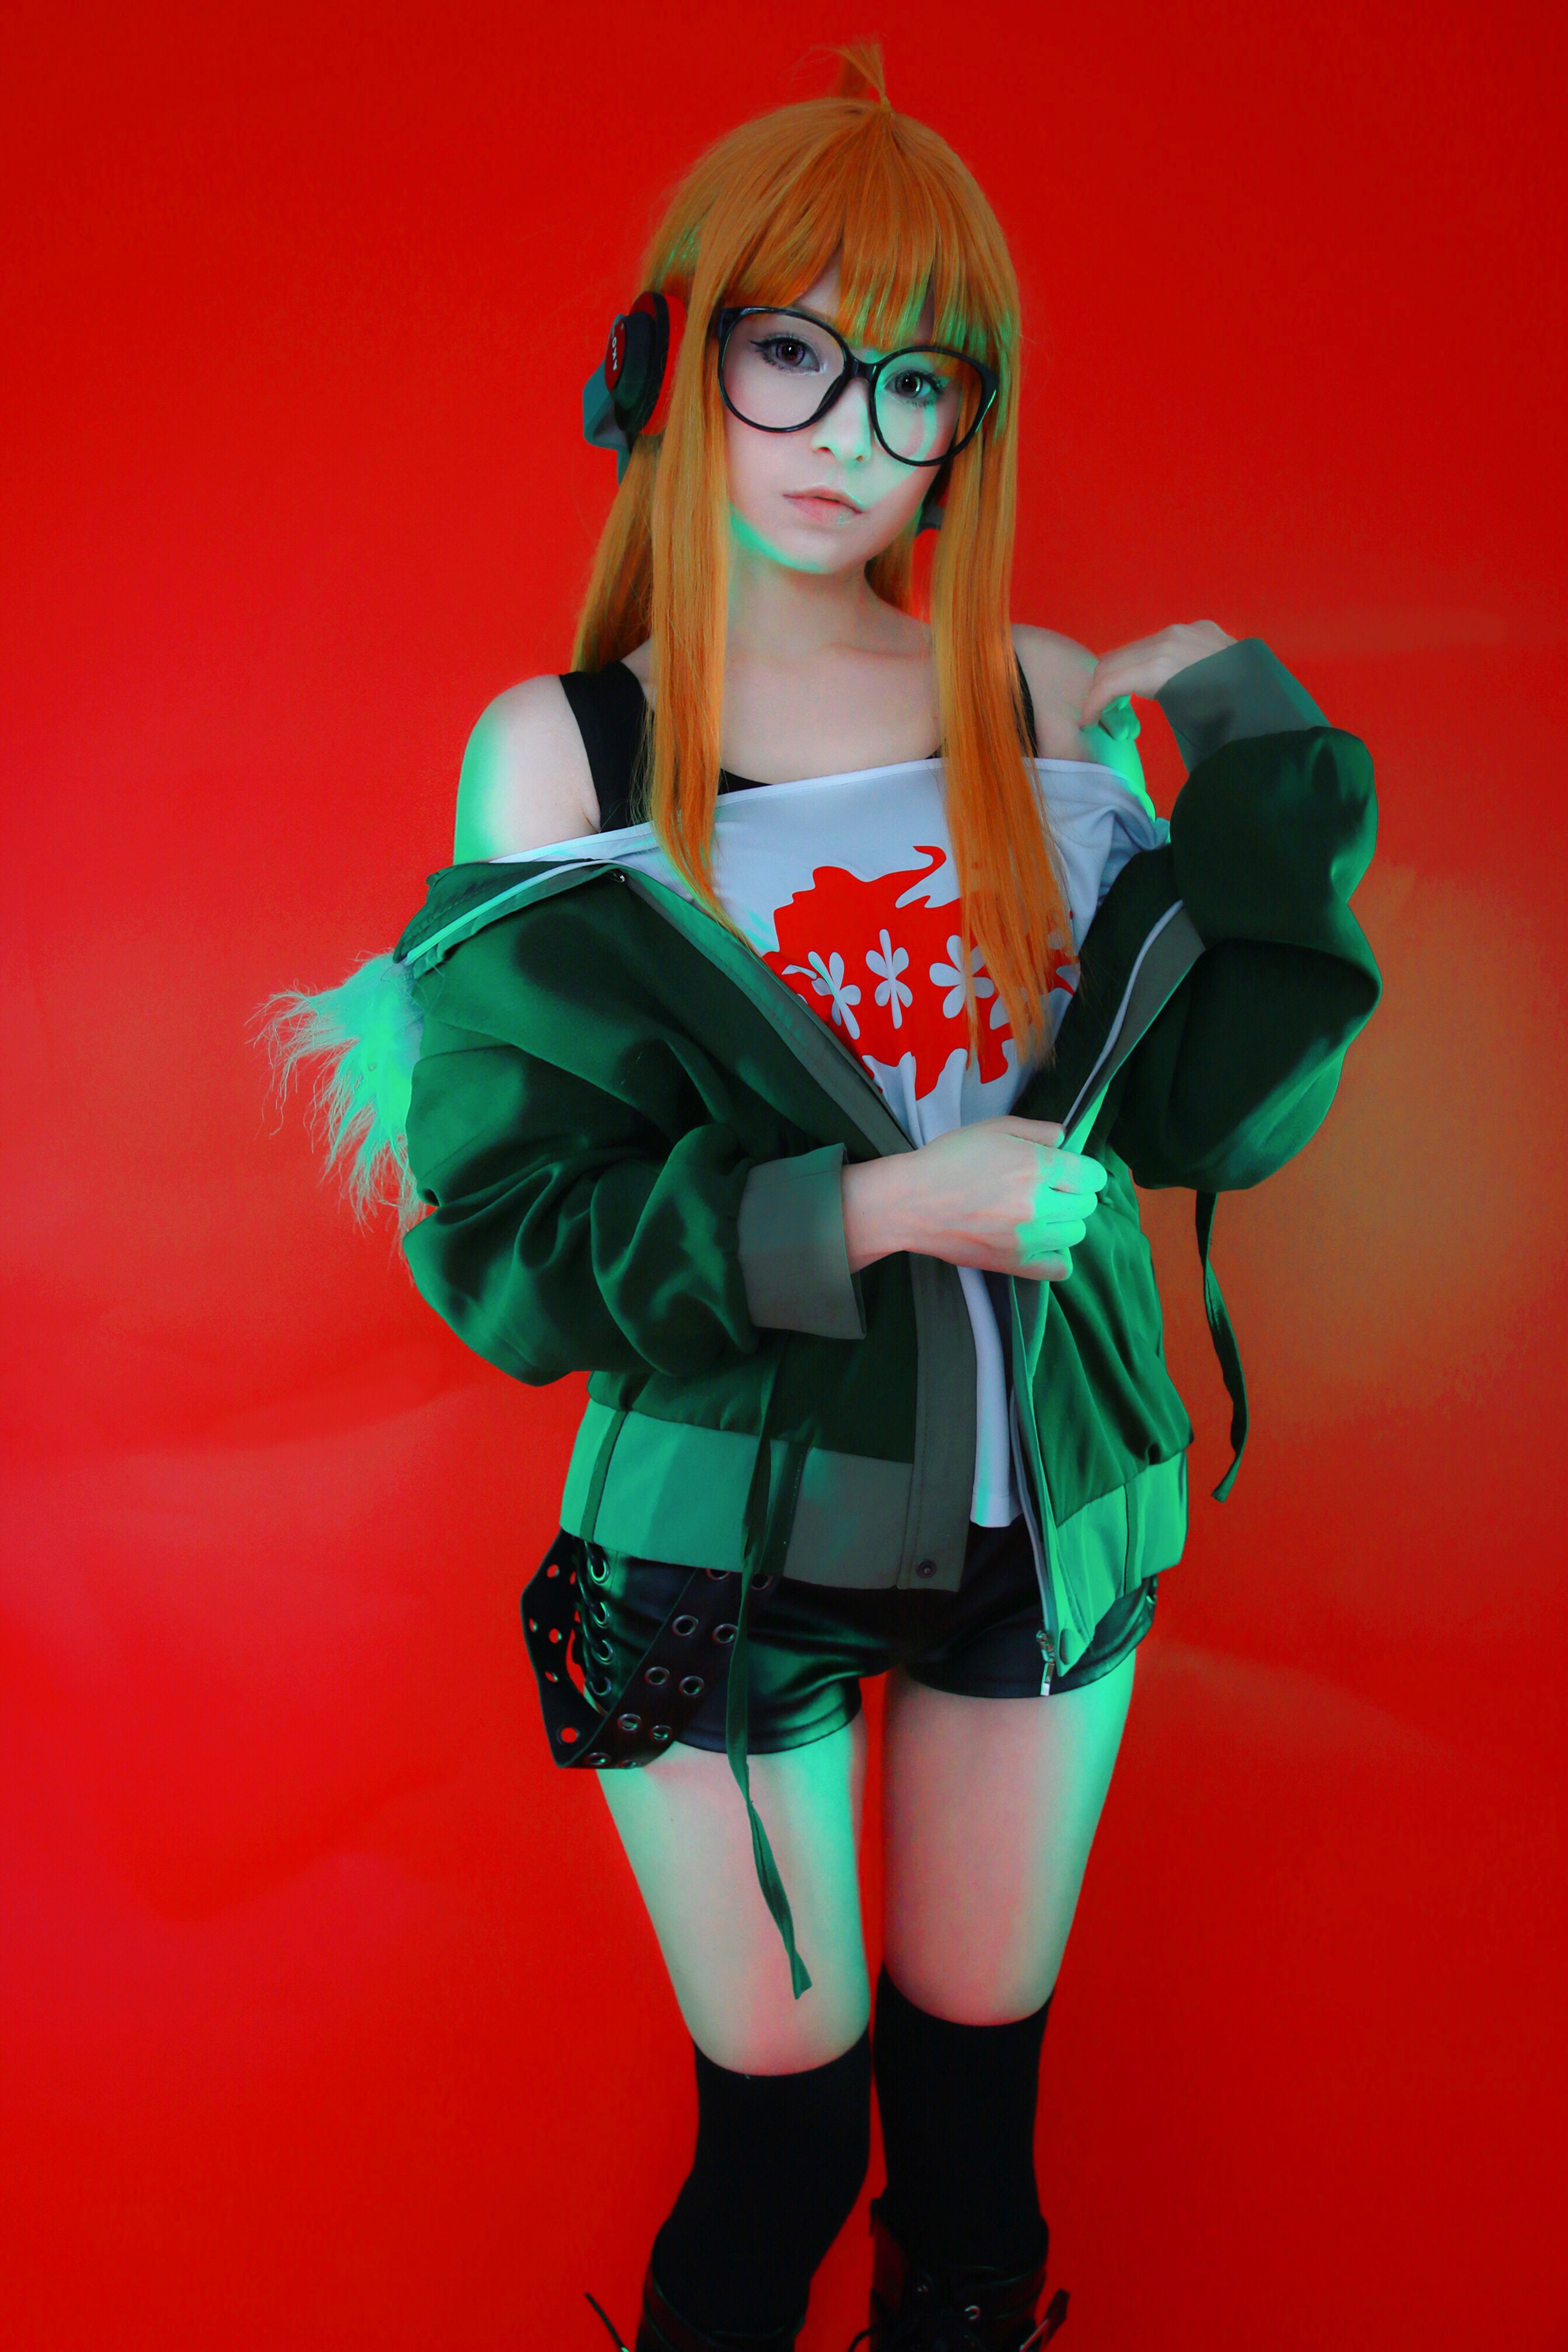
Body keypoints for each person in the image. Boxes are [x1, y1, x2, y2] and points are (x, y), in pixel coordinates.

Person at [272, 47, 1380, 2352]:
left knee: (977, 2176)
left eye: (917, 383)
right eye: (793, 351)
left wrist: (1263, 757)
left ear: (968, 426)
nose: (849, 434)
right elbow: (516, 1241)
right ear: (675, 356)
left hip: (1050, 1508)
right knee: (780, 2147)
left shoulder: (1039, 700)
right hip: (721, 1541)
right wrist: (880, 1215)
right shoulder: (568, 751)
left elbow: (1217, 1117)